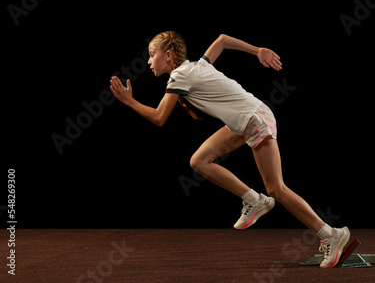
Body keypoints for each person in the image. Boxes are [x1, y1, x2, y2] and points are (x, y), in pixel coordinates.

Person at [109, 31, 350, 268]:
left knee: (277, 188)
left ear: (169, 55)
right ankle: (254, 199)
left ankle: (331, 234)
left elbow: (160, 117)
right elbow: (222, 40)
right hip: (245, 121)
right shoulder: (197, 65)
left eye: (152, 54)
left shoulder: (180, 76)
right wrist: (258, 51)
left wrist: (129, 101)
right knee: (200, 161)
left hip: (253, 119)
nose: (149, 61)